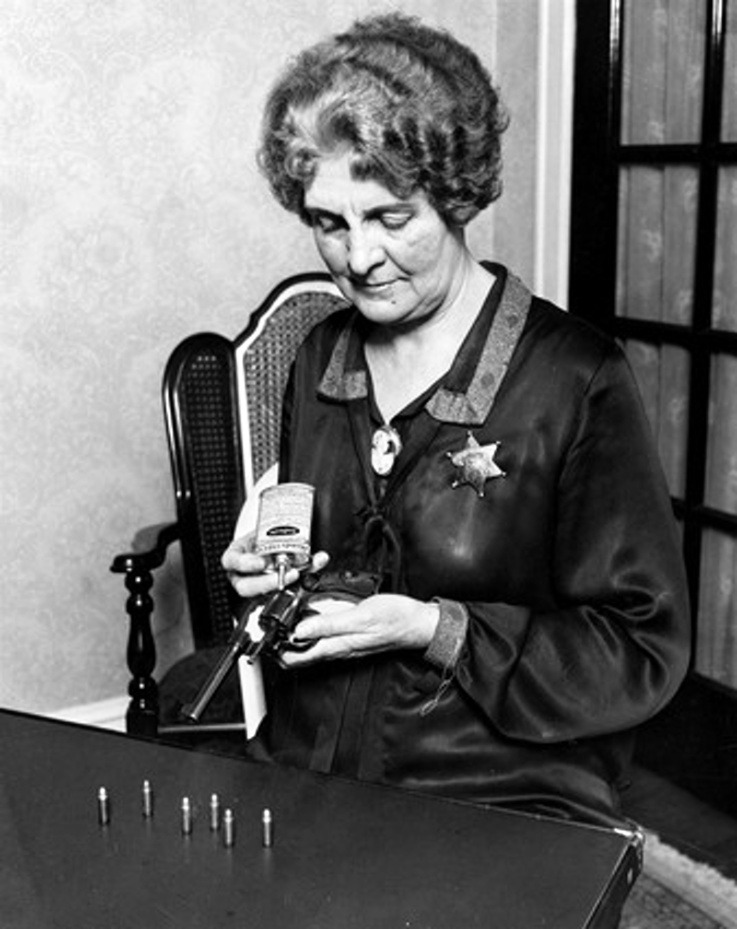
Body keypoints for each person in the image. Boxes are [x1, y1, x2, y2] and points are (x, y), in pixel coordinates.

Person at [220, 12, 691, 826]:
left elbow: (637, 648)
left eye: (389, 218)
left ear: (455, 195)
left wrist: (430, 628)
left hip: (501, 789)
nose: (357, 259)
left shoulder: (575, 375)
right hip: (313, 758)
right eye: (329, 223)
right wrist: (265, 578)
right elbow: (314, 571)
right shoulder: (318, 355)